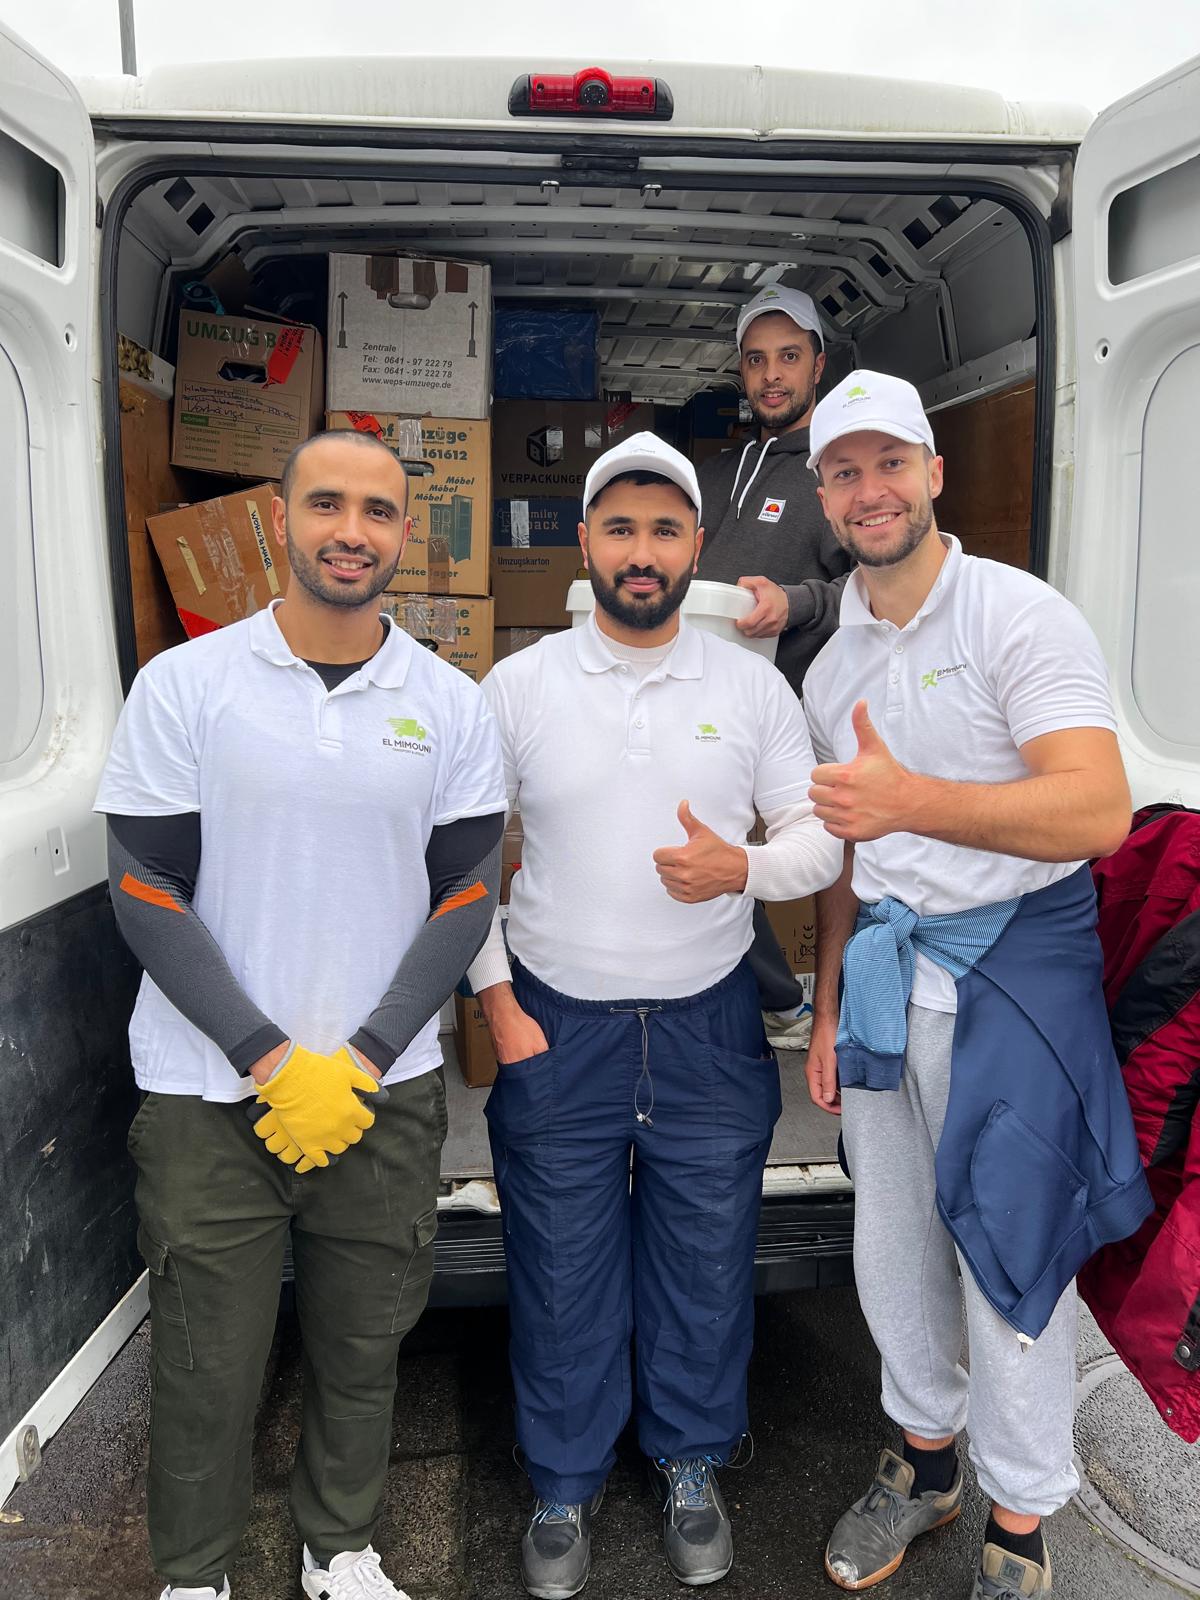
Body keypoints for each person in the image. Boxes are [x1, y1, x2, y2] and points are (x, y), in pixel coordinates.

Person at [96, 430, 506, 1600]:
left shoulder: (448, 704)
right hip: (205, 1091)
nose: (351, 531)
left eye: (378, 512)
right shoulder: (188, 685)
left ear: (402, 539)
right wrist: (268, 1056)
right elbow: (144, 889)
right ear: (282, 519)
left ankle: (341, 1547)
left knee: (364, 1342)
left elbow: (469, 894)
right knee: (205, 1358)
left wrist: (364, 1056)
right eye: (327, 503)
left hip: (382, 1092)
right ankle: (195, 1574)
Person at [467, 432, 843, 1597]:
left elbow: (820, 839)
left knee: (703, 1256)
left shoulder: (751, 686)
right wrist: (494, 1000)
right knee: (562, 1265)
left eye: (665, 530)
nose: (643, 553)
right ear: (585, 545)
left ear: (696, 548)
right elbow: (462, 859)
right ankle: (565, 1483)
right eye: (620, 529)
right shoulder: (519, 685)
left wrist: (744, 871)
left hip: (703, 1025)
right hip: (556, 1023)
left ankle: (688, 1462)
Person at [799, 371, 1153, 1600]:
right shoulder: (831, 662)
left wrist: (913, 802)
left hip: (1014, 970)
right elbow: (851, 851)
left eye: (889, 462)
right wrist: (831, 1001)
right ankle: (925, 1460)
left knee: (1010, 1249)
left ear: (934, 472)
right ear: (823, 495)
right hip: (891, 980)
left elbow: (1097, 809)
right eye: (843, 470)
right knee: (891, 1237)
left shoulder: (1018, 616)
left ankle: (1019, 1518)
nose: (869, 488)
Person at [695, 284, 854, 1048]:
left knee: (823, 844)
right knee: (692, 826)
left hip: (801, 696)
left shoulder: (836, 467)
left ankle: (791, 1003)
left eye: (789, 357)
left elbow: (872, 585)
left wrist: (796, 603)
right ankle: (762, 993)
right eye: (756, 360)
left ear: (818, 362)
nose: (771, 376)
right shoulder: (726, 468)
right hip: (714, 690)